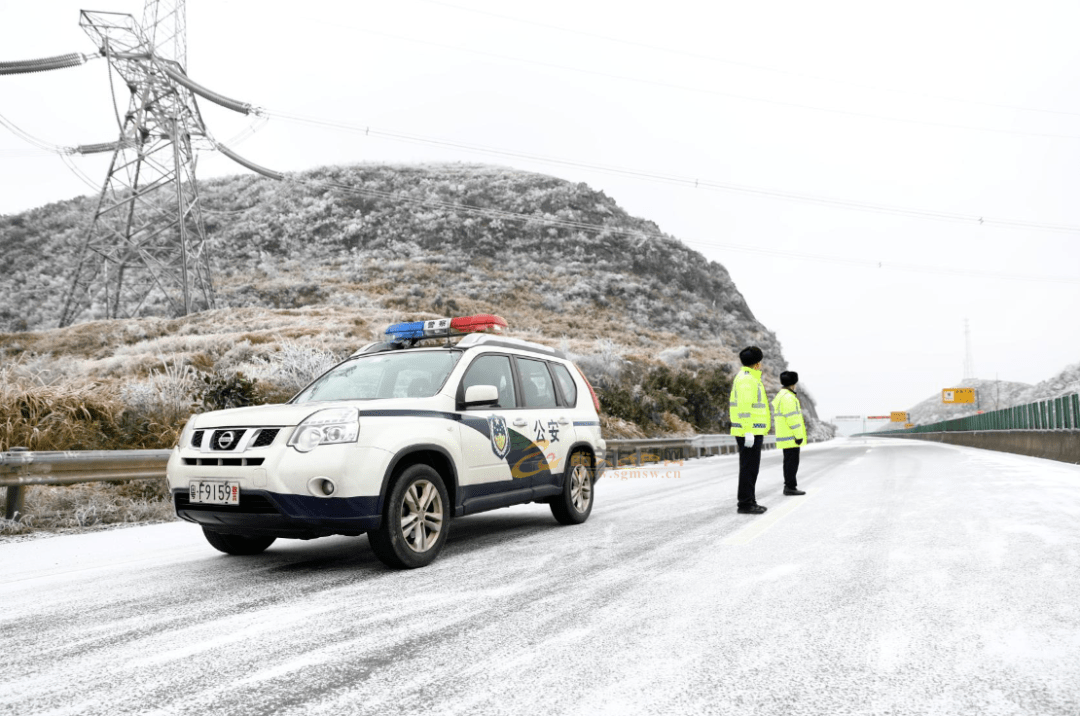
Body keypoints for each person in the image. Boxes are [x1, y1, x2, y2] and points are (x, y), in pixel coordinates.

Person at [729, 346, 770, 514]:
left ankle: (749, 500)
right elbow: (745, 408)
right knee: (749, 468)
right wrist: (748, 431)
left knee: (750, 468)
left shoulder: (749, 378)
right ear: (757, 364)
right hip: (750, 431)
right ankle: (745, 503)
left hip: (752, 431)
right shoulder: (748, 380)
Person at [772, 371, 807, 496]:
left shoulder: (782, 395)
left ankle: (789, 486)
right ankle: (790, 487)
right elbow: (793, 419)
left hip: (785, 435)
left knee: (788, 462)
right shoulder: (789, 398)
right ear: (794, 383)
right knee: (791, 463)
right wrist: (798, 436)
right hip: (791, 436)